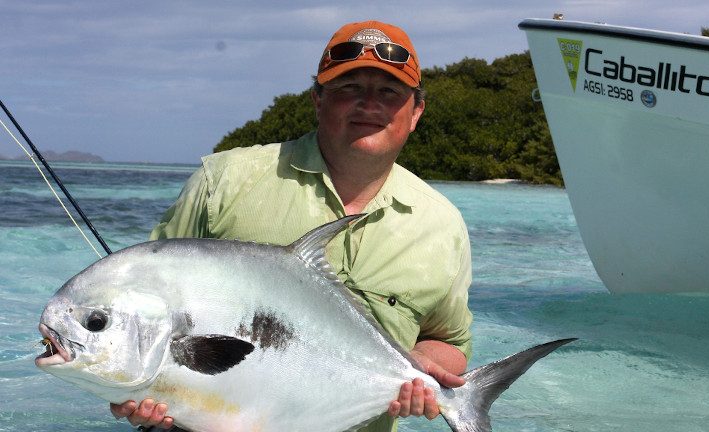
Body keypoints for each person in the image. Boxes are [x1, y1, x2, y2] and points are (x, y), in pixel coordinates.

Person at [110, 20, 473, 432]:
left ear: (416, 111)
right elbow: (141, 302)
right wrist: (131, 382)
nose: (368, 104)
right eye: (348, 88)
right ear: (318, 100)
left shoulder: (440, 224)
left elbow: (450, 341)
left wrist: (423, 371)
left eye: (389, 92)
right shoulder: (224, 183)